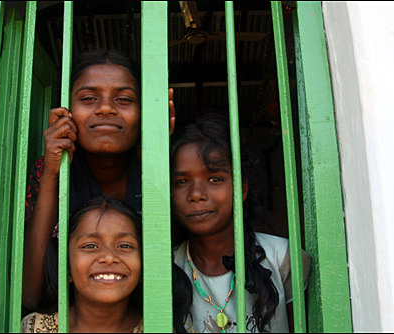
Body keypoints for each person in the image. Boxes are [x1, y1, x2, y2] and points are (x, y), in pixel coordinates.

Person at [23, 49, 175, 310]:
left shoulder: (168, 170)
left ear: (144, 111)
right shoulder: (50, 169)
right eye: (89, 98)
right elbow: (28, 295)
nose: (105, 108)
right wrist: (51, 172)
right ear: (66, 110)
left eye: (124, 99)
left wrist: (156, 163)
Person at [170, 112, 312, 333]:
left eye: (215, 179)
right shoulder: (167, 268)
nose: (196, 194)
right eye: (181, 181)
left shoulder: (284, 258)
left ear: (242, 188)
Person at [21, 197, 144, 333]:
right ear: (66, 267)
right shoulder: (37, 327)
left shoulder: (159, 327)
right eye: (90, 246)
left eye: (125, 246)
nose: (109, 257)